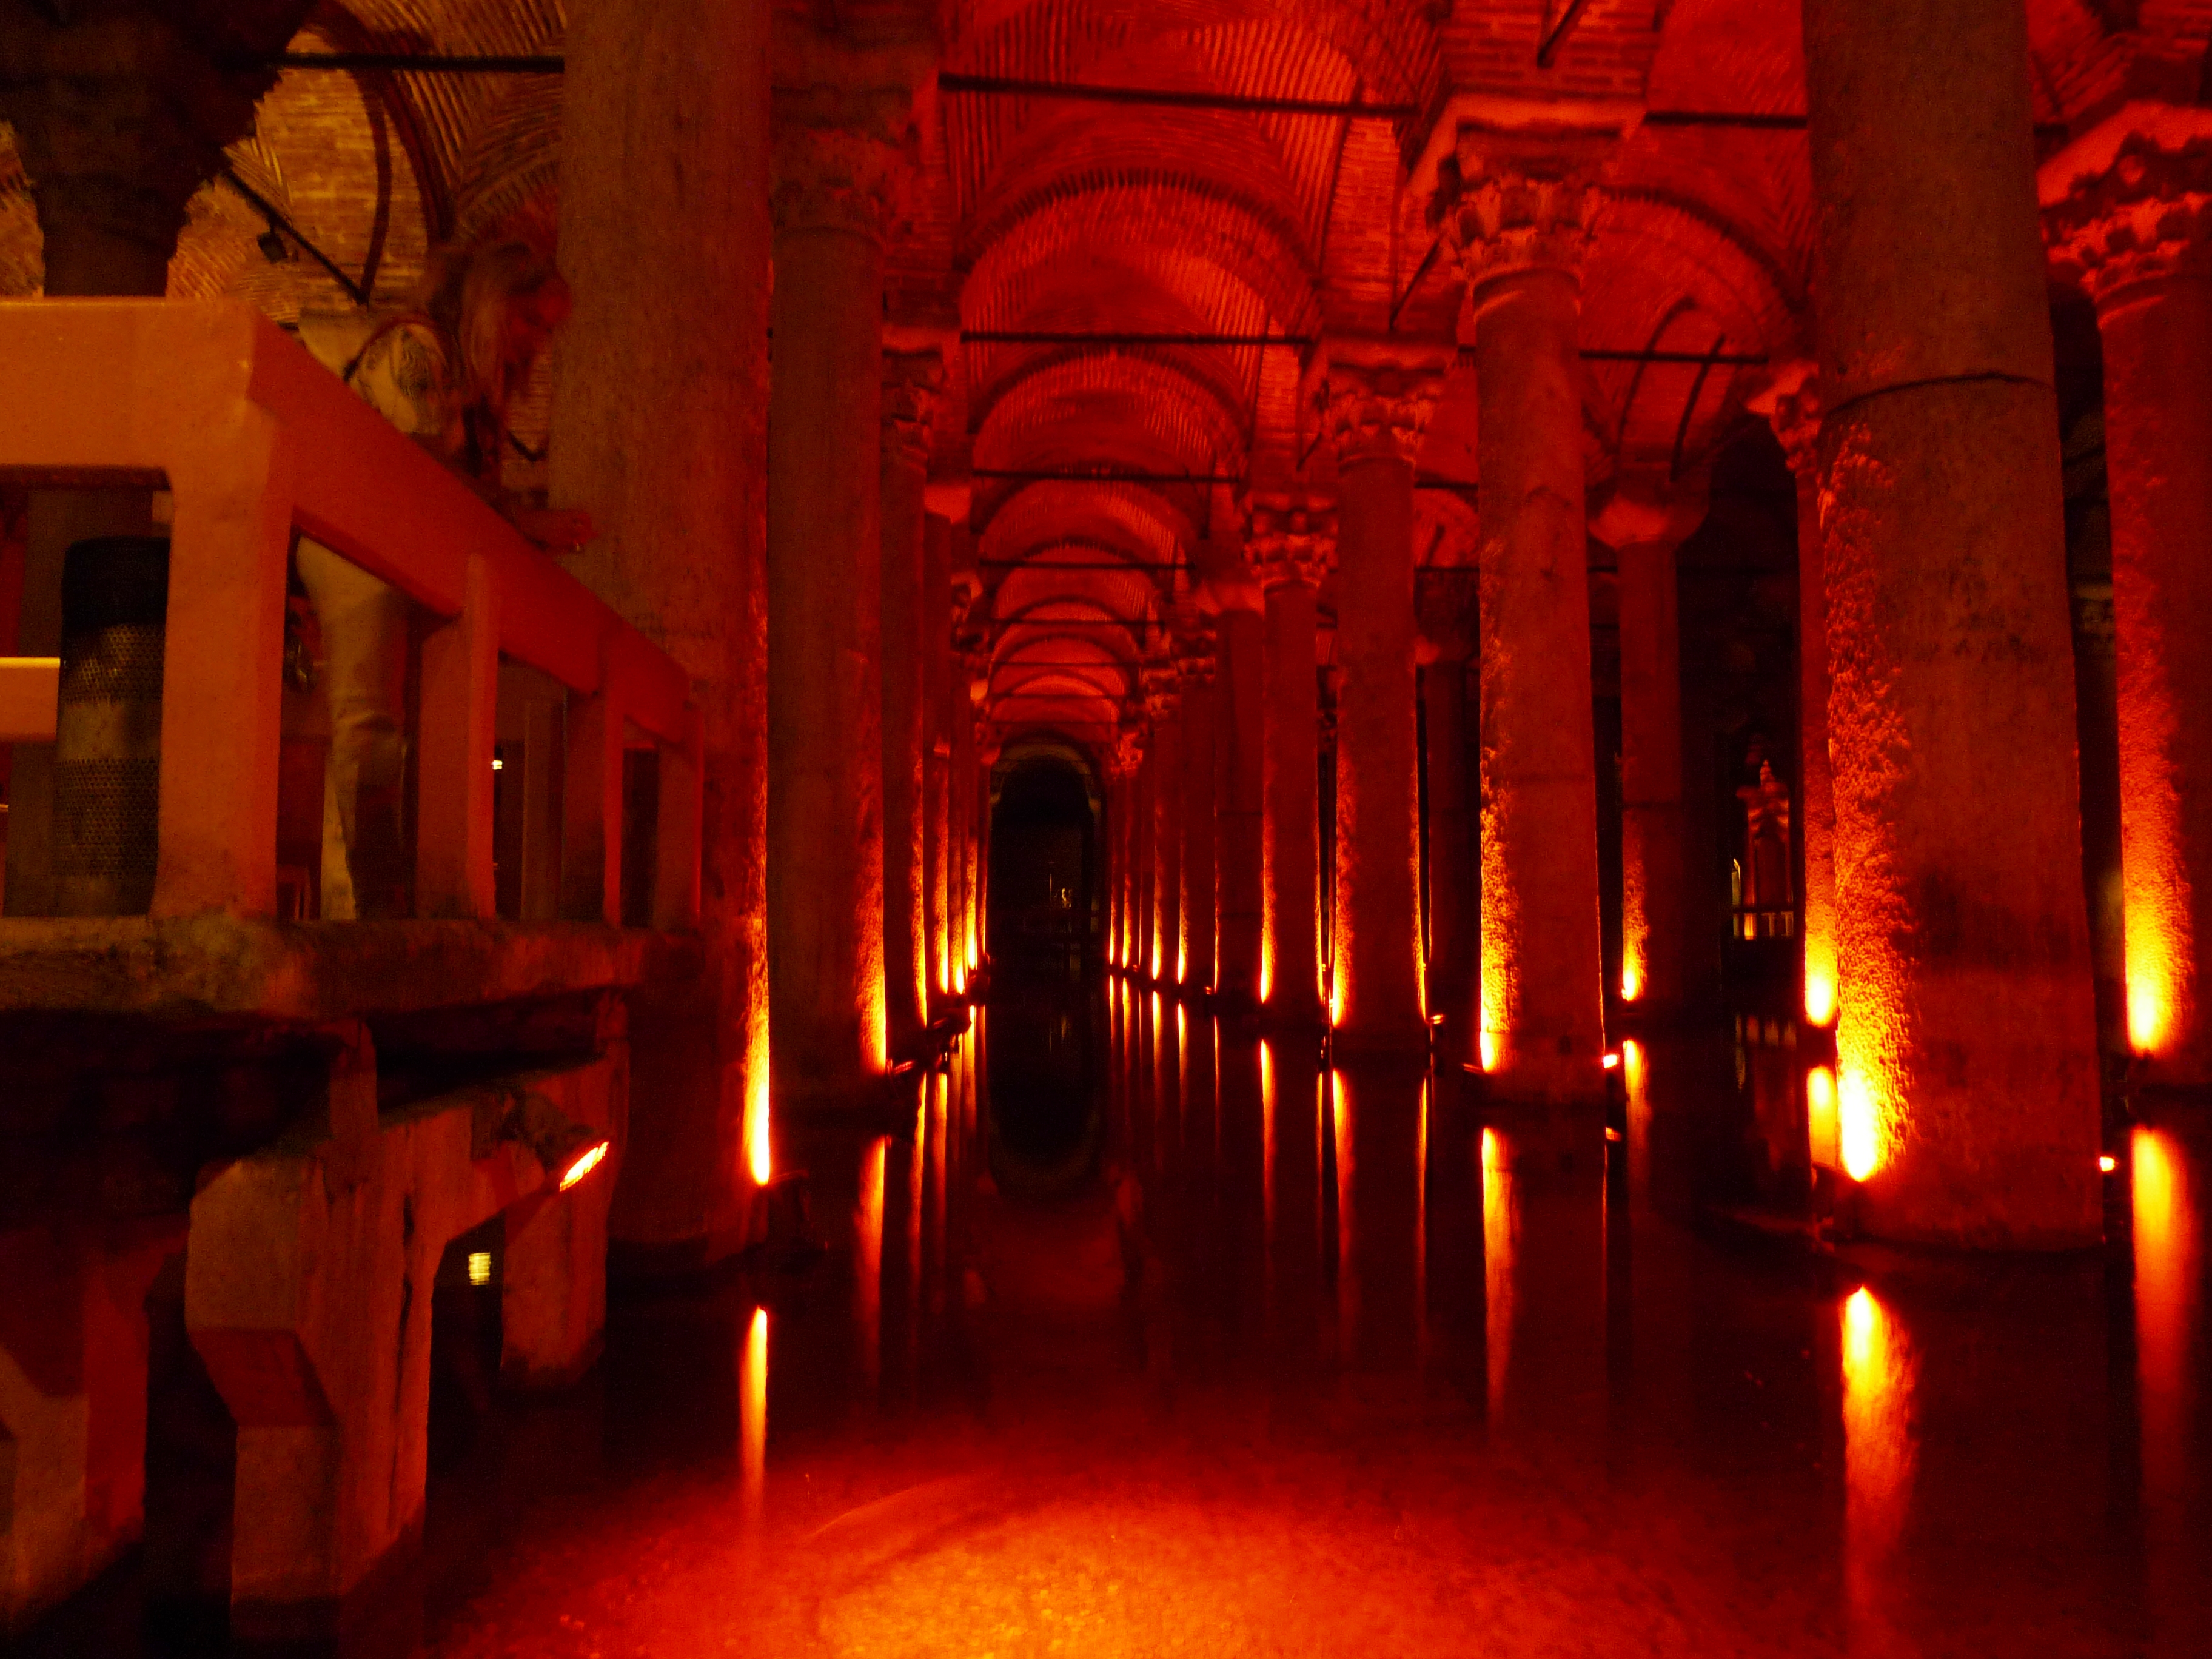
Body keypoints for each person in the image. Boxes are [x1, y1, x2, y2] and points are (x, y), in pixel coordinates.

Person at [296, 238, 592, 918]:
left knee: (398, 730)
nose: (537, 344)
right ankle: (367, 905)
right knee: (367, 719)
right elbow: (428, 470)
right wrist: (526, 523)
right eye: (529, 321)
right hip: (357, 541)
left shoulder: (464, 382)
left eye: (547, 330)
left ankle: (393, 897)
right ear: (491, 304)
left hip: (404, 553)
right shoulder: (416, 350)